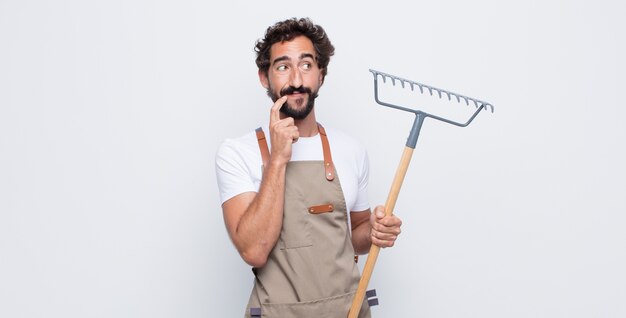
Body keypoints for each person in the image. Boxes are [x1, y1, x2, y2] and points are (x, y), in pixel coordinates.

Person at [215, 17, 402, 318]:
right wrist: (277, 159)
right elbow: (254, 250)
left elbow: (356, 236)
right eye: (282, 66)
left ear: (321, 74)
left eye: (306, 65)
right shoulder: (237, 153)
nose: (297, 80)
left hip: (348, 311)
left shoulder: (351, 150)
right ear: (265, 77)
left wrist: (375, 231)